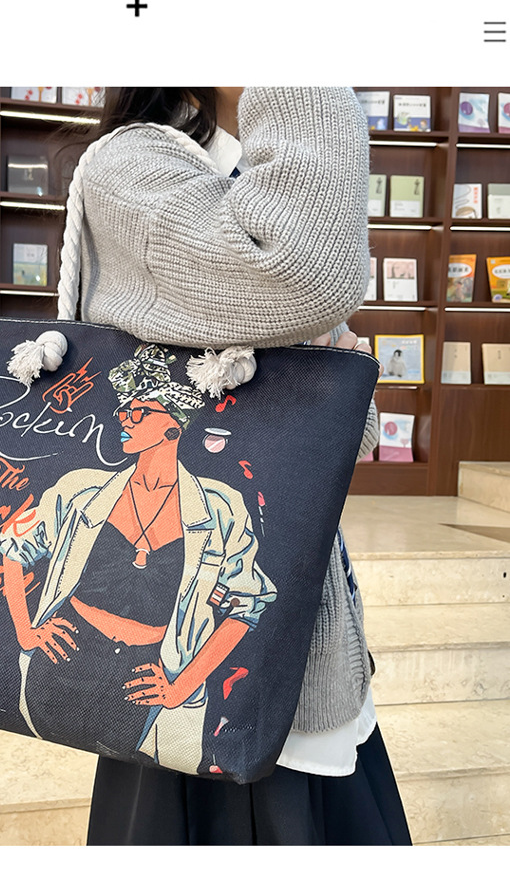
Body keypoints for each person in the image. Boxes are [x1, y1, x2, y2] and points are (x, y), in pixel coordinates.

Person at [56, 87, 412, 845]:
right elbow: (308, 278)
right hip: (176, 672)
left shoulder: (277, 167)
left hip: (304, 646)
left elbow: (346, 436)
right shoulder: (136, 166)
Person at [0, 342, 277, 773]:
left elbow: (247, 605)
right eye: (123, 412)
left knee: (142, 770)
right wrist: (26, 631)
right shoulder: (82, 489)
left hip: (149, 675)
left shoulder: (221, 508)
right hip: (61, 661)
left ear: (174, 427)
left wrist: (181, 687)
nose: (124, 419)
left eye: (140, 412)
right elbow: (16, 547)